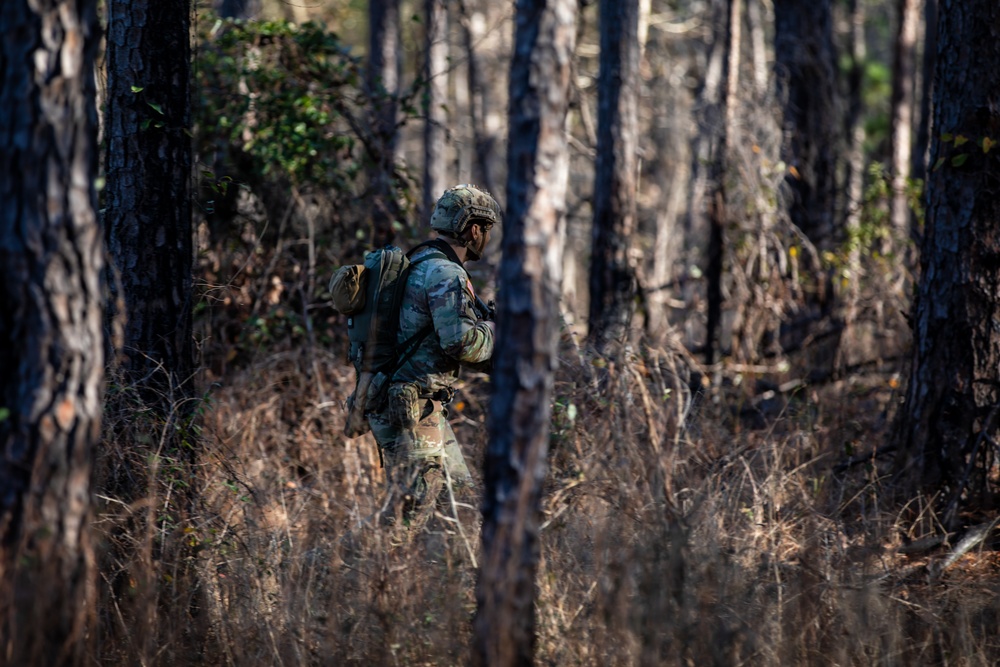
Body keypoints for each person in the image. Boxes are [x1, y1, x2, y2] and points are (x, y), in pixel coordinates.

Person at [368, 184, 501, 528]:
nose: (486, 239)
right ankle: (339, 569)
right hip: (412, 410)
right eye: (486, 231)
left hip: (412, 405)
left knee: (459, 509)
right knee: (407, 519)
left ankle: (442, 576)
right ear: (474, 229)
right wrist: (496, 333)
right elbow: (460, 343)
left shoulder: (420, 260)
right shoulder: (447, 273)